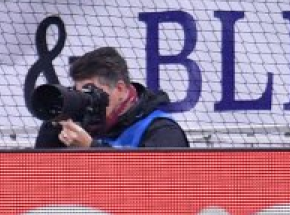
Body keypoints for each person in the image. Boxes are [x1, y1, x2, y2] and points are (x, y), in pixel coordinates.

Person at [34, 46, 189, 148]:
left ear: (120, 89)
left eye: (91, 92)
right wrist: (54, 125)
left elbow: (153, 185)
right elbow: (39, 178)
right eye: (79, 93)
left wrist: (91, 149)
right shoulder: (83, 125)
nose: (86, 101)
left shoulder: (162, 131)